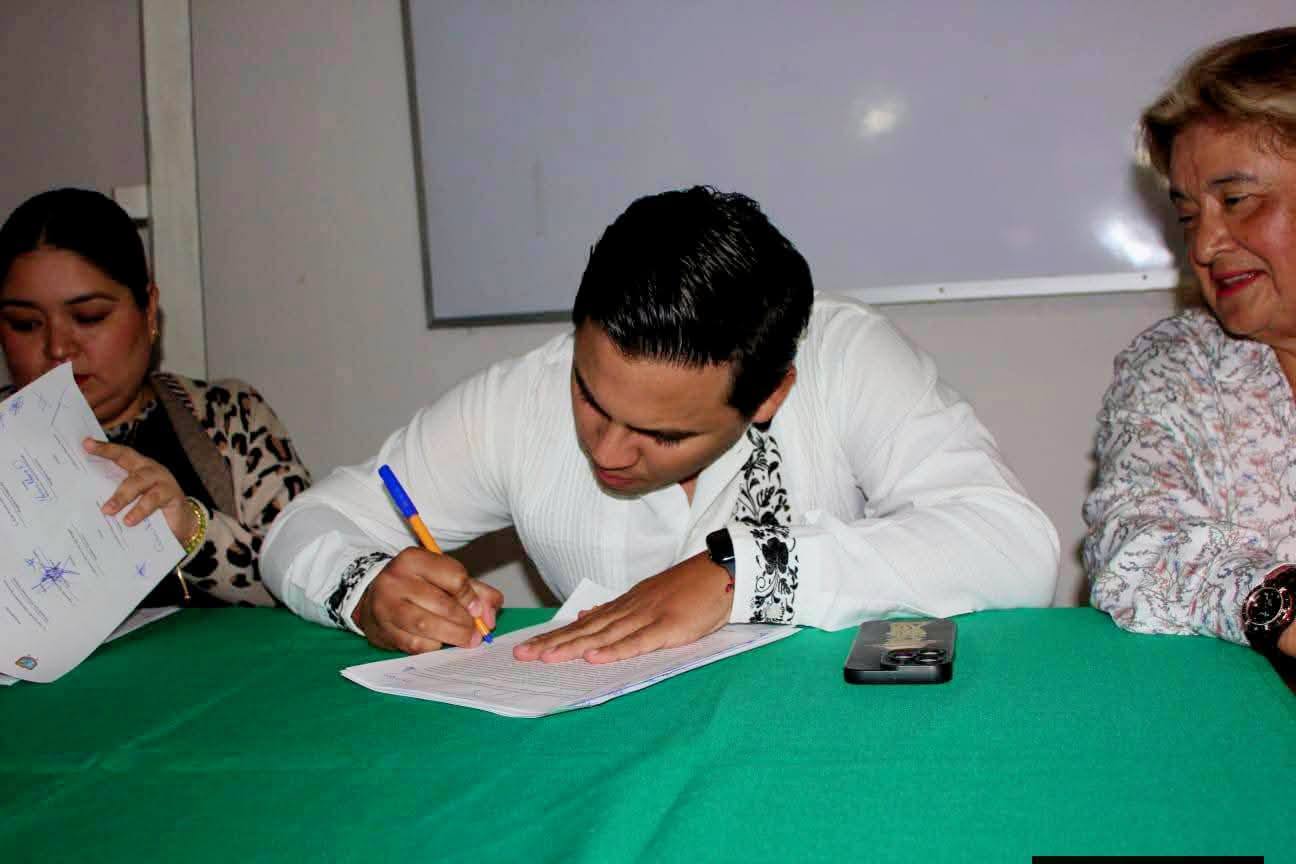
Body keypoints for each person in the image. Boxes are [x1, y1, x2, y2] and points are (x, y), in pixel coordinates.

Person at [263, 186, 1058, 662]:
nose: (608, 449)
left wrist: (742, 574)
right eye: (590, 395)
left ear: (769, 395)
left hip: (816, 748)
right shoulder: (518, 399)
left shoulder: (846, 360)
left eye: (665, 436)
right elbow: (306, 525)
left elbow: (1013, 547)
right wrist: (363, 586)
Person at [1084, 27, 1296, 660]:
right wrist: (1282, 606)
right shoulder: (1179, 366)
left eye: (1237, 200)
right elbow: (1133, 544)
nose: (1204, 245)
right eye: (1188, 216)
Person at [0, 188, 311, 607]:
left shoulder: (229, 418)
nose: (58, 347)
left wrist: (193, 529)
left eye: (89, 317)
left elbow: (314, 575)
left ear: (148, 311)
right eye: (24, 323)